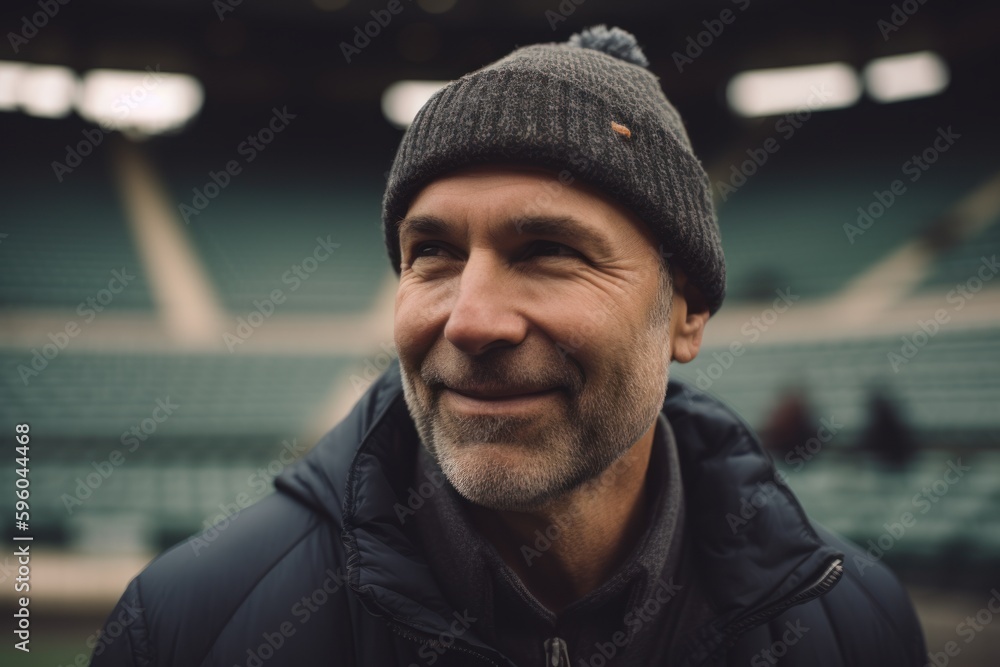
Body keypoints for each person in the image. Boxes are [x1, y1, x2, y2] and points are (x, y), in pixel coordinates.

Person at [91, 25, 926, 666]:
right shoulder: (189, 626)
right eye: (433, 254)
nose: (471, 320)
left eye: (548, 252)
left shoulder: (856, 625)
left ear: (687, 313)